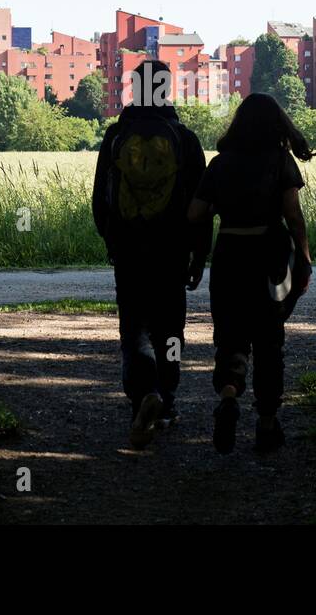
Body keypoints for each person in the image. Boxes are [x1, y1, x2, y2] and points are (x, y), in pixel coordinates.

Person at [92, 58, 210, 449]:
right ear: (167, 90)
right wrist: (199, 254)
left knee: (135, 327)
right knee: (169, 328)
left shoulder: (115, 137)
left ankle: (143, 395)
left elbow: (100, 200)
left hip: (129, 248)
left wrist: (112, 240)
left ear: (133, 88)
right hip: (172, 249)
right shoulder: (185, 139)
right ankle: (167, 399)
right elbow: (201, 203)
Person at [188, 93, 313, 454]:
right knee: (269, 339)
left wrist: (217, 204)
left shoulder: (221, 163)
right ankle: (267, 422)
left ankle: (229, 395)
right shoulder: (280, 161)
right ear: (277, 124)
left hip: (229, 255)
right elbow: (293, 214)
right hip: (269, 256)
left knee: (230, 334)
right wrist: (303, 256)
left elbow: (194, 214)